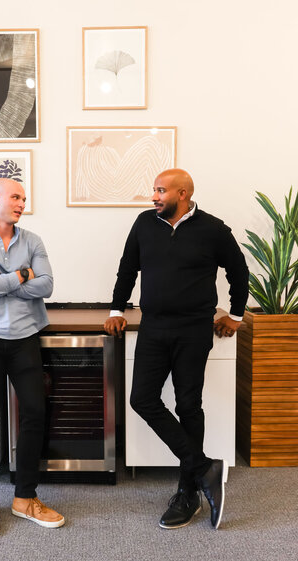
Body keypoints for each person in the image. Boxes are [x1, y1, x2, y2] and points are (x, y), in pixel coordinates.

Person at [104, 168, 249, 530]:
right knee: (142, 399)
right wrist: (116, 309)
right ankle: (203, 467)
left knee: (188, 405)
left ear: (182, 194)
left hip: (193, 329)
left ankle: (188, 492)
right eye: (154, 190)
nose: (154, 196)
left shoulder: (214, 229)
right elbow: (127, 270)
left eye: (160, 190)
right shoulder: (144, 223)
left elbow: (239, 271)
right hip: (153, 327)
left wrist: (235, 315)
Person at [0, 177, 65, 537]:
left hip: (25, 338)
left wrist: (2, 278)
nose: (22, 202)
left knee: (35, 412)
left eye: (24, 198)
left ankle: (24, 498)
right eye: (16, 196)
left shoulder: (32, 240)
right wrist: (22, 275)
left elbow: (47, 285)